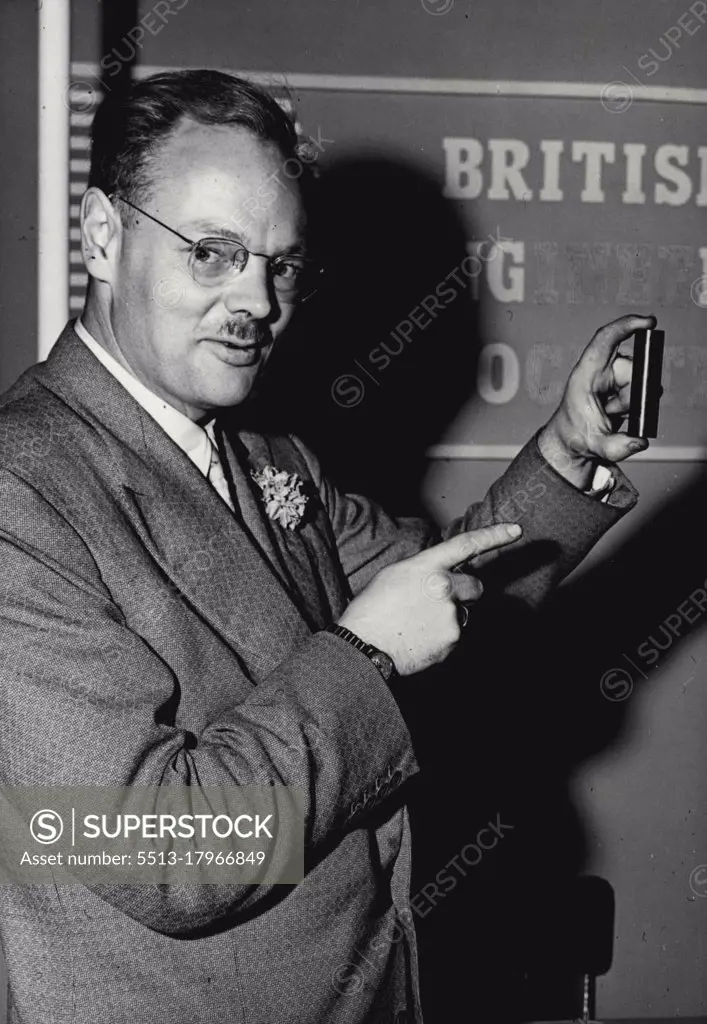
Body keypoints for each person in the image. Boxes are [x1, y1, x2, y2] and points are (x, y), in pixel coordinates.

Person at [0, 69, 651, 1024]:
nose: (256, 302)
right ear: (102, 236)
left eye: (280, 264)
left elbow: (446, 601)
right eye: (213, 254)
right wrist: (366, 655)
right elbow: (156, 856)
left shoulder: (265, 453)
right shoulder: (22, 490)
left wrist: (566, 456)